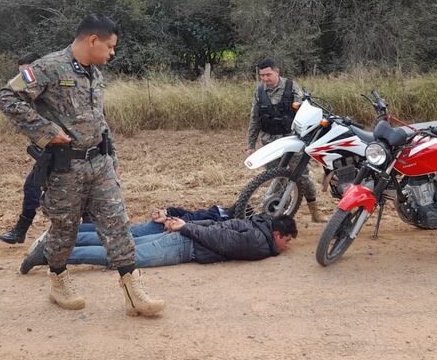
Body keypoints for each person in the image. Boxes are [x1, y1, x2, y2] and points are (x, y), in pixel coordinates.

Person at [0, 15, 164, 316]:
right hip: (65, 169)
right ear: (92, 40)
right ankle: (58, 279)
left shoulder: (95, 73)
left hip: (99, 163)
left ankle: (133, 290)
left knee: (117, 222)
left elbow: (99, 117)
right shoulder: (47, 67)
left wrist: (111, 157)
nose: (112, 53)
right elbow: (7, 96)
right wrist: (45, 131)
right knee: (65, 230)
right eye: (110, 46)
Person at [20, 212, 298, 274]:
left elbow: (215, 226)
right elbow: (220, 239)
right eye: (287, 241)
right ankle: (50, 254)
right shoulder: (261, 244)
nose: (286, 247)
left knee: (122, 244)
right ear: (278, 235)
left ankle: (57, 244)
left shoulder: (253, 223)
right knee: (120, 257)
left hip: (183, 237)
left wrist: (182, 223)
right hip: (183, 246)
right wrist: (185, 226)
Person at [245, 58, 326, 222]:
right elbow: (255, 119)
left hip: (293, 141)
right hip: (270, 142)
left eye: (268, 74)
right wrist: (250, 145)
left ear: (277, 72)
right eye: (262, 76)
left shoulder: (291, 87)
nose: (265, 79)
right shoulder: (259, 92)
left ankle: (315, 212)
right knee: (275, 177)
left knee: (302, 177)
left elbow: (305, 111)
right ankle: (277, 215)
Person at [0, 52, 43, 244]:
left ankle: (88, 235)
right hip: (46, 153)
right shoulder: (28, 93)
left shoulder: (47, 83)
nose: (22, 78)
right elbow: (8, 95)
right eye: (20, 73)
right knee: (32, 188)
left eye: (25, 72)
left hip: (66, 151)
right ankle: (20, 231)